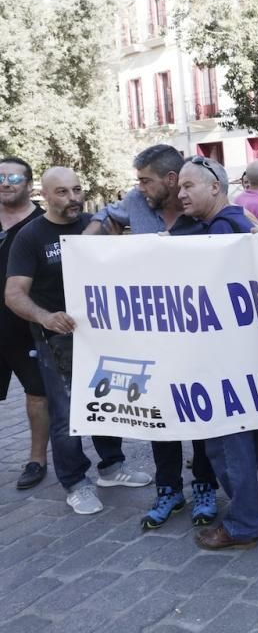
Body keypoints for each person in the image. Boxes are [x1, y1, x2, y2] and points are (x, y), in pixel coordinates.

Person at [85, 144, 218, 529]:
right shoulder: (135, 203)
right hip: (153, 335)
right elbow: (100, 222)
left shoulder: (198, 208)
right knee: (158, 413)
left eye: (146, 179)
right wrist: (83, 251)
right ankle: (169, 489)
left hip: (199, 335)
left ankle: (205, 486)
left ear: (172, 180)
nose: (140, 186)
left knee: (201, 413)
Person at [5, 167, 153, 514]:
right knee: (67, 413)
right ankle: (75, 483)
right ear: (45, 194)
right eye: (62, 193)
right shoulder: (31, 236)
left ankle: (112, 468)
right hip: (56, 340)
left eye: (77, 190)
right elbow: (13, 294)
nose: (73, 199)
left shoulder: (94, 224)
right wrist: (45, 317)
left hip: (102, 336)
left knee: (108, 402)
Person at [173, 156, 258, 550]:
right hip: (253, 353)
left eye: (189, 185)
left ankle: (241, 524)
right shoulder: (239, 222)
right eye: (179, 187)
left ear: (216, 187)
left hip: (224, 356)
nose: (181, 193)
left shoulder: (221, 231)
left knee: (227, 439)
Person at [0, 157, 49, 490]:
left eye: (13, 177)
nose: (5, 183)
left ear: (29, 184)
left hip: (26, 326)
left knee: (37, 395)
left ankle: (37, 460)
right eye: (0, 178)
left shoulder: (42, 223)